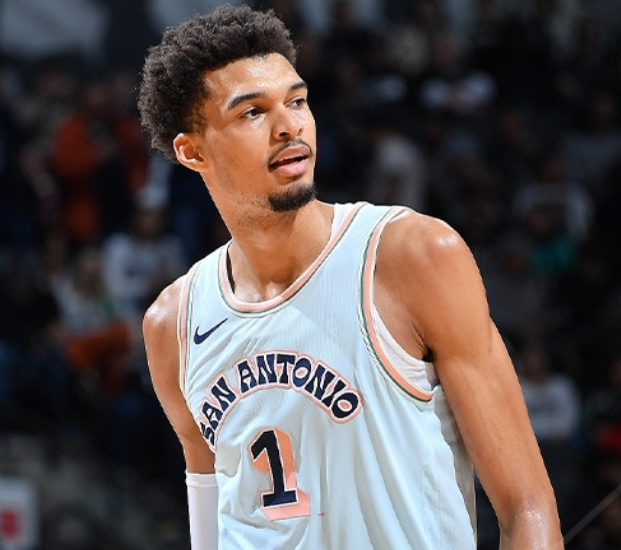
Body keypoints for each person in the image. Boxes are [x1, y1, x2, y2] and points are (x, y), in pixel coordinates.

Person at [138, 5, 563, 550]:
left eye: (297, 101)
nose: (289, 126)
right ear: (192, 151)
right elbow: (211, 531)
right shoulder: (173, 325)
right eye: (253, 112)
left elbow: (528, 508)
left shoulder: (413, 257)